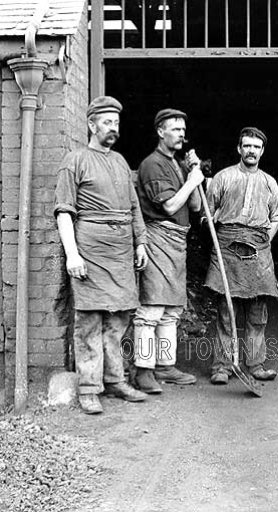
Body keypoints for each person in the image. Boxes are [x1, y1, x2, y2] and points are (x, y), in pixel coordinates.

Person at [54, 96, 148, 414]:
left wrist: (141, 243)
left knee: (120, 318)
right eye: (108, 122)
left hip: (121, 253)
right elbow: (64, 212)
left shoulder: (121, 161)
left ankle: (116, 380)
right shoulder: (75, 160)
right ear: (91, 124)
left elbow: (134, 207)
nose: (114, 129)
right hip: (90, 252)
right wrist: (72, 255)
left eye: (117, 123)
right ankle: (89, 388)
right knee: (90, 321)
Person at [132, 108, 204, 393]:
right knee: (151, 307)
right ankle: (143, 370)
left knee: (171, 310)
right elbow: (171, 206)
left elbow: (196, 206)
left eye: (184, 130)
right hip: (158, 237)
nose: (182, 134)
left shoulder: (179, 165)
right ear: (160, 131)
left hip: (177, 241)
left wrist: (195, 173)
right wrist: (191, 182)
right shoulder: (152, 164)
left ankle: (165, 366)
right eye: (176, 129)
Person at [206, 127, 278, 384]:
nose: (251, 151)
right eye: (247, 146)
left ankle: (256, 364)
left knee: (257, 311)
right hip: (227, 246)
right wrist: (214, 232)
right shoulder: (223, 178)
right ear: (239, 148)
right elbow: (208, 214)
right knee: (227, 310)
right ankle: (222, 367)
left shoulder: (269, 183)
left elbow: (275, 219)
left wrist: (262, 243)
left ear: (262, 151)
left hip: (259, 248)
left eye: (256, 147)